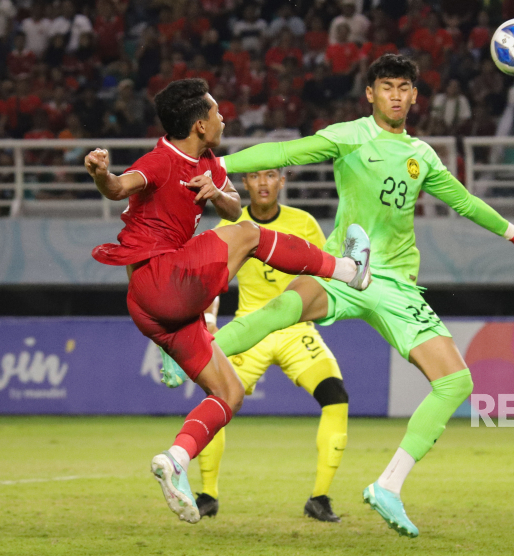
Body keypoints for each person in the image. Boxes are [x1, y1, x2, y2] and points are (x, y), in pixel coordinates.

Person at [170, 54, 514, 537]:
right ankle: (187, 354)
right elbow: (284, 153)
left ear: (413, 95)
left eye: (403, 87)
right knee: (277, 310)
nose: (394, 94)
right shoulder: (349, 135)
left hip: (393, 284)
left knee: (456, 382)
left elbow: (464, 202)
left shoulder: (423, 156)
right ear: (370, 93)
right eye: (385, 86)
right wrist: (218, 166)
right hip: (345, 267)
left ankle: (388, 486)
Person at [84, 78, 371, 525]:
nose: (224, 117)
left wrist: (216, 192)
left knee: (229, 393)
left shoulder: (210, 163)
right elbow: (121, 187)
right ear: (200, 124)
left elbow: (234, 208)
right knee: (252, 236)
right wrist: (102, 173)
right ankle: (349, 270)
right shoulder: (163, 159)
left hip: (151, 310)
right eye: (217, 113)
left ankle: (175, 460)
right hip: (162, 278)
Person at [194, 167, 349, 523]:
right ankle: (207, 494)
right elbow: (211, 282)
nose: (263, 183)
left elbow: (325, 273)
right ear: (244, 183)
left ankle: (320, 498)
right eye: (255, 177)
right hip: (251, 329)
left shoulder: (304, 222)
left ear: (282, 181)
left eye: (271, 175)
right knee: (216, 403)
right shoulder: (230, 226)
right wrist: (210, 321)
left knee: (335, 396)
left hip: (296, 330)